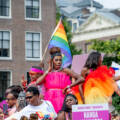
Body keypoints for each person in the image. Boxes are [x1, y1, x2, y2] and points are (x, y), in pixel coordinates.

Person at [36, 47, 84, 113]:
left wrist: (68, 86)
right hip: (49, 99)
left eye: (60, 60)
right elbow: (37, 82)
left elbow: (81, 79)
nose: (59, 62)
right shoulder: (48, 72)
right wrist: (48, 70)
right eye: (56, 60)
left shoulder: (65, 70)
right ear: (52, 61)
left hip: (62, 98)